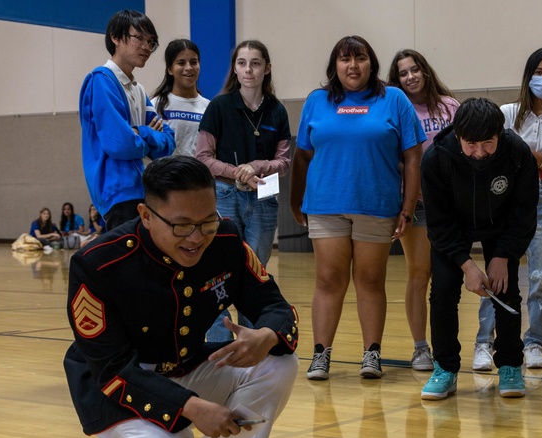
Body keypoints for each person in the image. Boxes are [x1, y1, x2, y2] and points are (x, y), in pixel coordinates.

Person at [63, 155, 299, 438]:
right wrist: (192, 408)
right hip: (116, 385)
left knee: (279, 364)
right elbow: (112, 370)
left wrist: (267, 334)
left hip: (184, 363)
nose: (196, 237)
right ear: (145, 215)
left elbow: (273, 303)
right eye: (182, 225)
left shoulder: (225, 239)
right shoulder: (99, 264)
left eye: (206, 221)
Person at [290, 35, 425, 381]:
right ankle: (321, 354)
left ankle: (372, 353)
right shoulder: (317, 101)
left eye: (360, 58)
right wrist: (296, 199)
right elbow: (303, 156)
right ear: (335, 65)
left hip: (376, 205)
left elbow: (412, 157)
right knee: (328, 278)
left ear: (372, 63)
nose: (353, 66)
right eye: (345, 59)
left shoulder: (393, 99)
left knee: (370, 279)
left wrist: (407, 209)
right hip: (326, 205)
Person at [419, 98, 537, 400]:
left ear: (500, 134)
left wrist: (504, 254)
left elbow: (524, 214)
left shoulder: (518, 153)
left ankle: (510, 364)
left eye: (488, 143)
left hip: (500, 226)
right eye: (472, 144)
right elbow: (439, 225)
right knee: (443, 290)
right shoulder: (435, 158)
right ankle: (445, 368)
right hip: (454, 226)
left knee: (505, 289)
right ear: (458, 136)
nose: (480, 152)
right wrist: (467, 265)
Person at [474, 48, 542, 372]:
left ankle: (533, 342)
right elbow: (493, 155)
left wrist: (527, 153)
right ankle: (483, 343)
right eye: (539, 71)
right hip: (505, 199)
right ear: (528, 75)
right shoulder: (507, 112)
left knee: (540, 277)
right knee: (497, 274)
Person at [197, 40, 292, 344]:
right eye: (241, 63)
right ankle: (218, 345)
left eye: (255, 63)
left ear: (267, 68)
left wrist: (255, 166)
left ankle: (251, 344)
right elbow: (203, 158)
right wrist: (237, 172)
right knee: (219, 272)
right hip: (224, 196)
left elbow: (284, 162)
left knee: (256, 273)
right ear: (235, 68)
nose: (248, 70)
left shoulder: (277, 110)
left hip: (264, 198)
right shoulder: (219, 106)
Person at [387, 49, 460, 372]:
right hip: (415, 204)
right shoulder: (396, 109)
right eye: (403, 73)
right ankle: (420, 348)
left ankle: (449, 347)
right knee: (419, 274)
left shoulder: (450, 106)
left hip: (450, 204)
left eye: (414, 69)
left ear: (425, 71)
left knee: (448, 276)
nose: (410, 76)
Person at [79, 9, 175, 231]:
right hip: (117, 191)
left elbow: (167, 144)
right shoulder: (101, 81)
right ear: (115, 37)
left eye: (150, 42)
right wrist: (148, 135)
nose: (145, 47)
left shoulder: (138, 89)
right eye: (138, 38)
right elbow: (120, 144)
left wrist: (140, 132)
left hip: (140, 188)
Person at [151, 39, 209, 158]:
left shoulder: (209, 108)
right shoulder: (156, 105)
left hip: (199, 175)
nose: (188, 68)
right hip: (164, 174)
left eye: (193, 62)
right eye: (181, 63)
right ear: (170, 69)